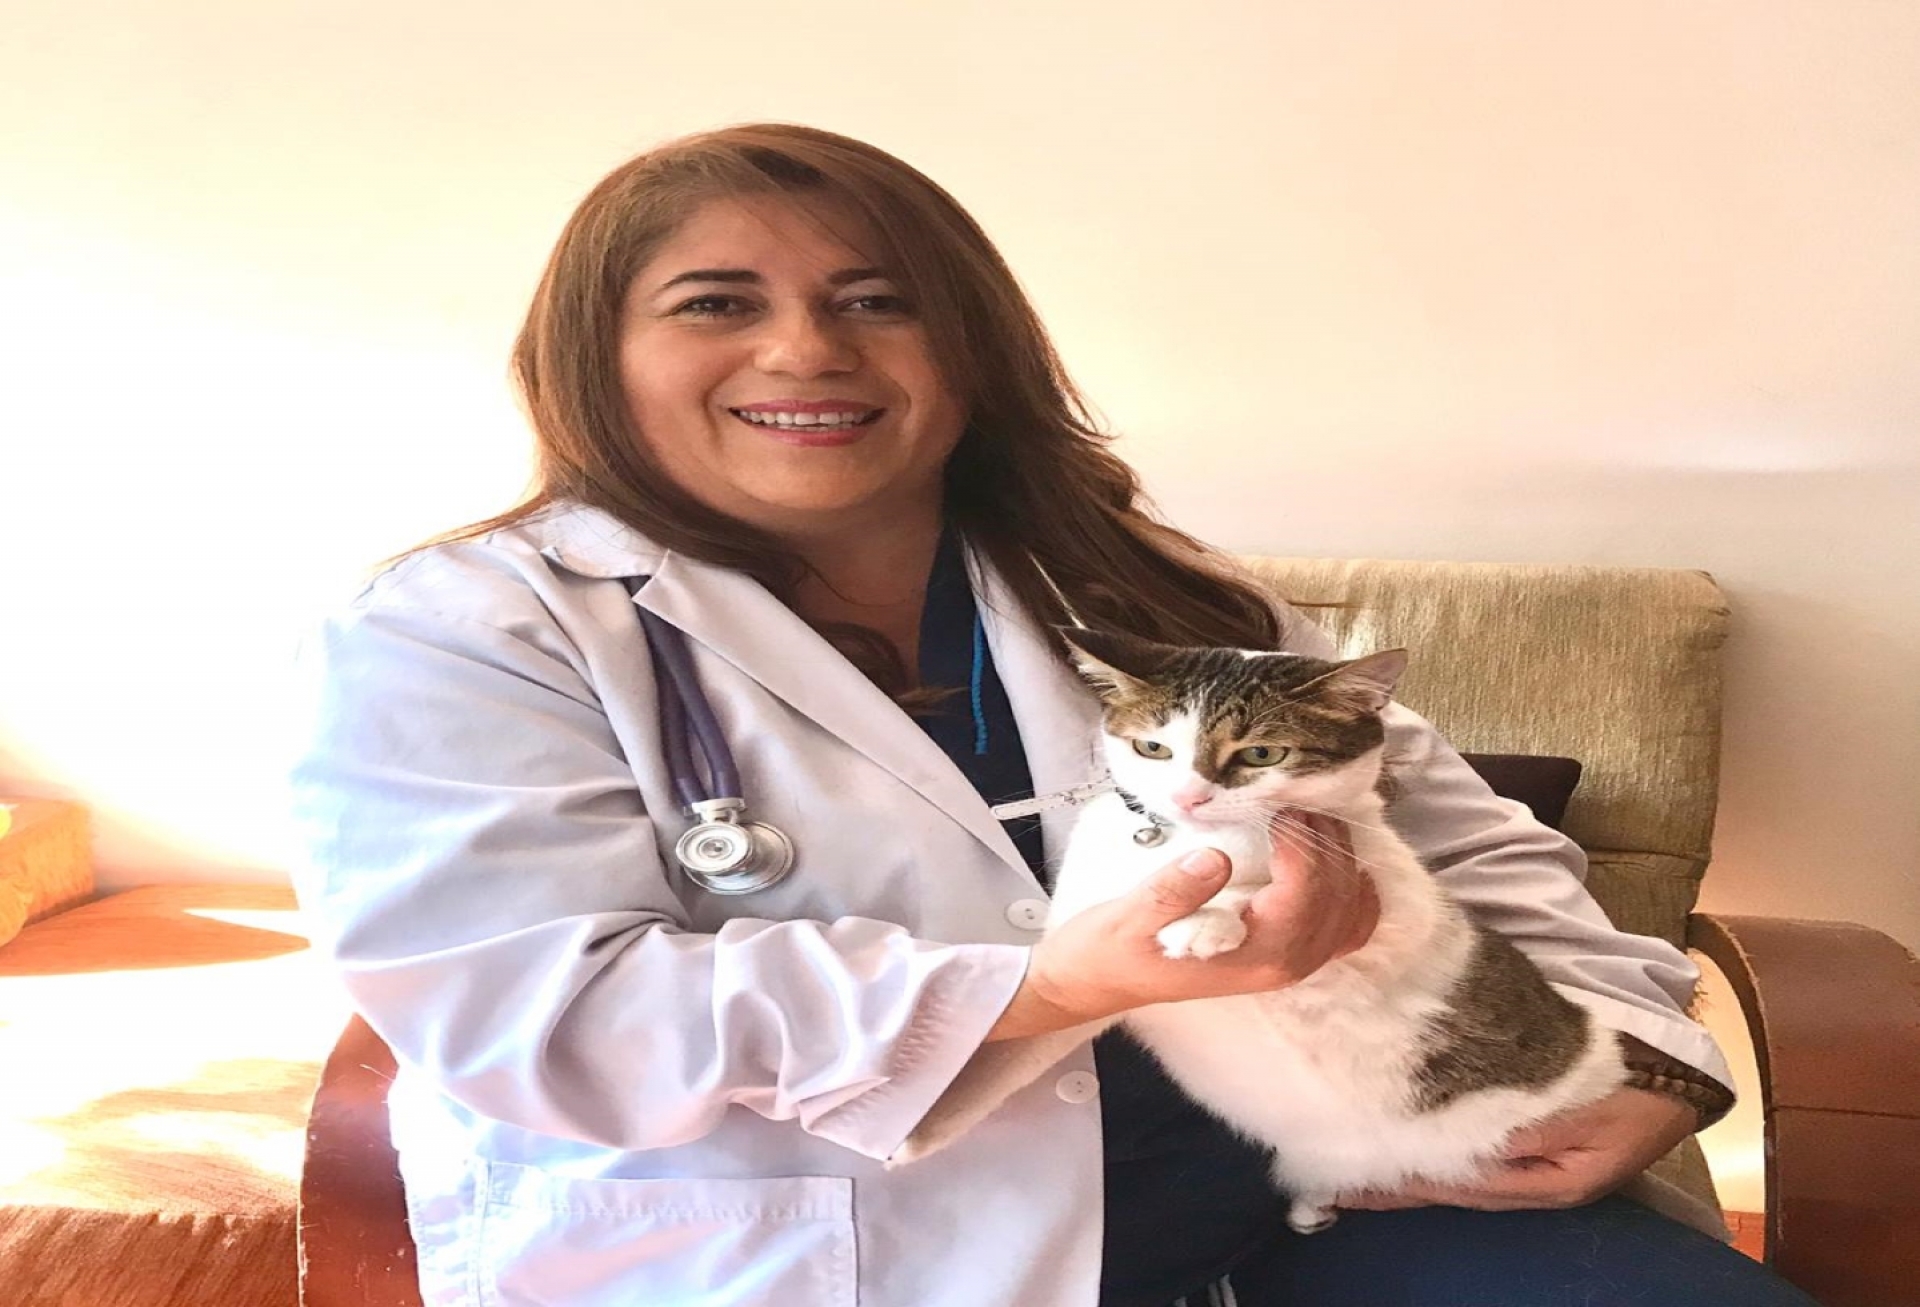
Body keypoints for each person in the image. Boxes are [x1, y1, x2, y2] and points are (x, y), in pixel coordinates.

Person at [287, 123, 1818, 1306]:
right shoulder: (469, 631)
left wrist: (1644, 1061)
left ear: (971, 355)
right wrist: (1039, 988)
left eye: (877, 302)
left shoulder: (1143, 591)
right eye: (717, 303)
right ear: (599, 355)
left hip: (1296, 1205)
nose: (807, 349)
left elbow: (1468, 847)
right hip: (825, 1255)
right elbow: (535, 1012)